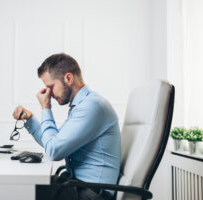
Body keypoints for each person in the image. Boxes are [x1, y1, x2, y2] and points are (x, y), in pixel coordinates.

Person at [12, 53, 121, 200]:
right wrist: (30, 120)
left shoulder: (91, 106)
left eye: (50, 87)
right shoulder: (82, 105)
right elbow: (53, 142)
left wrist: (46, 108)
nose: (48, 94)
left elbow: (54, 151)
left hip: (93, 194)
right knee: (24, 186)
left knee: (20, 192)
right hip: (79, 186)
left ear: (68, 78)